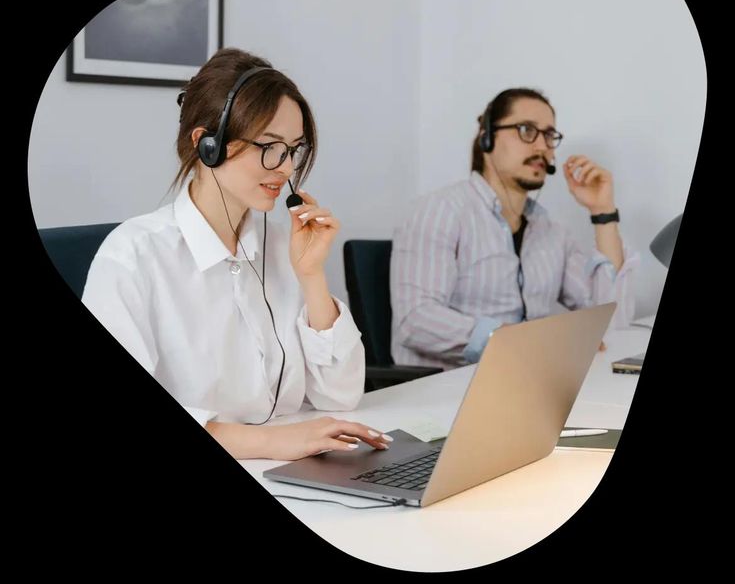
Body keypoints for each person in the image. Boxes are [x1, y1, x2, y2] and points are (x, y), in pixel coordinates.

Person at [82, 48, 392, 460]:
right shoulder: (133, 257)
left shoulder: (286, 246)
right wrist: (274, 442)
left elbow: (341, 395)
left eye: (293, 149)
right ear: (206, 144)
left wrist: (312, 277)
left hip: (294, 472)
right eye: (269, 146)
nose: (284, 167)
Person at [390, 87, 638, 370]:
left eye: (549, 135)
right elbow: (415, 321)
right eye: (526, 130)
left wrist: (602, 212)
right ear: (487, 137)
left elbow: (610, 323)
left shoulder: (551, 230)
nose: (542, 146)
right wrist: (519, 340)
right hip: (447, 388)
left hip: (527, 380)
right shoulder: (441, 211)